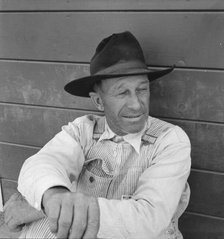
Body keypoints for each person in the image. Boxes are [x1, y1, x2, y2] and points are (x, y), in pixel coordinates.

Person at [4, 31, 191, 239]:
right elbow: (43, 163)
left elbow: (148, 219)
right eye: (122, 93)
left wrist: (47, 208)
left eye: (142, 90)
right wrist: (54, 196)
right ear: (99, 102)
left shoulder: (170, 140)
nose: (137, 104)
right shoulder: (83, 130)